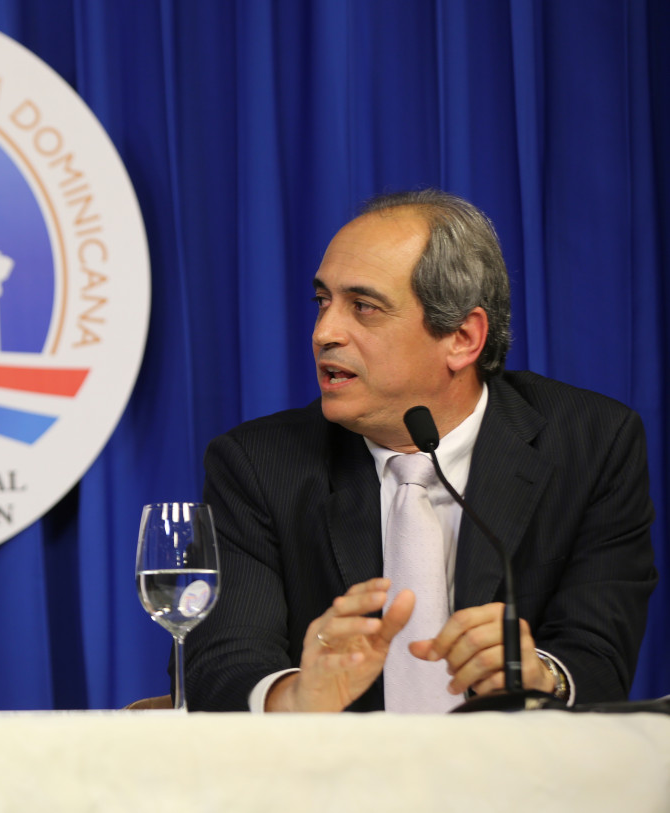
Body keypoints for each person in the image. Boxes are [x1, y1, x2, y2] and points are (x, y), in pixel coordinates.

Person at [187, 189, 657, 713]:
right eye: (323, 302)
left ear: (462, 338)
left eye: (363, 307)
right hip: (338, 765)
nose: (324, 333)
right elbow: (219, 662)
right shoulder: (257, 464)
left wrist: (541, 675)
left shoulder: (590, 443)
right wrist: (296, 698)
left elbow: (599, 657)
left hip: (515, 763)